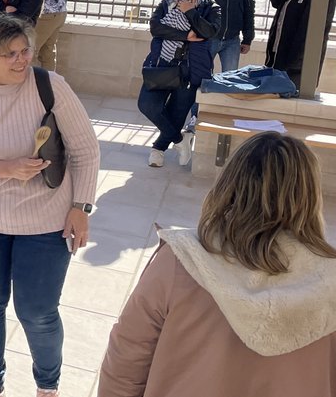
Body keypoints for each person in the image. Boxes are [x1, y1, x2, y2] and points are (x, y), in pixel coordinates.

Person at [99, 132, 336, 396]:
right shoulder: (330, 279)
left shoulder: (180, 261)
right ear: (310, 194)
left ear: (229, 184)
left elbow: (125, 363)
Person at [0, 15, 100, 397]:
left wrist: (81, 206)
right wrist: (3, 169)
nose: (21, 59)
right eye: (9, 54)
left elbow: (86, 150)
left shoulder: (51, 87)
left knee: (38, 312)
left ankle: (48, 387)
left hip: (45, 223)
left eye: (24, 50)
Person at [138, 0, 221, 168]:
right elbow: (156, 28)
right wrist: (185, 36)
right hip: (162, 63)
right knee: (147, 105)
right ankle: (180, 140)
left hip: (190, 68)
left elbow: (208, 31)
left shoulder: (211, 7)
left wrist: (190, 11)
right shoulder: (168, 2)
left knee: (177, 113)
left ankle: (158, 150)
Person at [265, 0, 336, 89]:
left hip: (297, 62)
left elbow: (314, 30)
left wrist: (296, 61)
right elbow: (275, 1)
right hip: (278, 54)